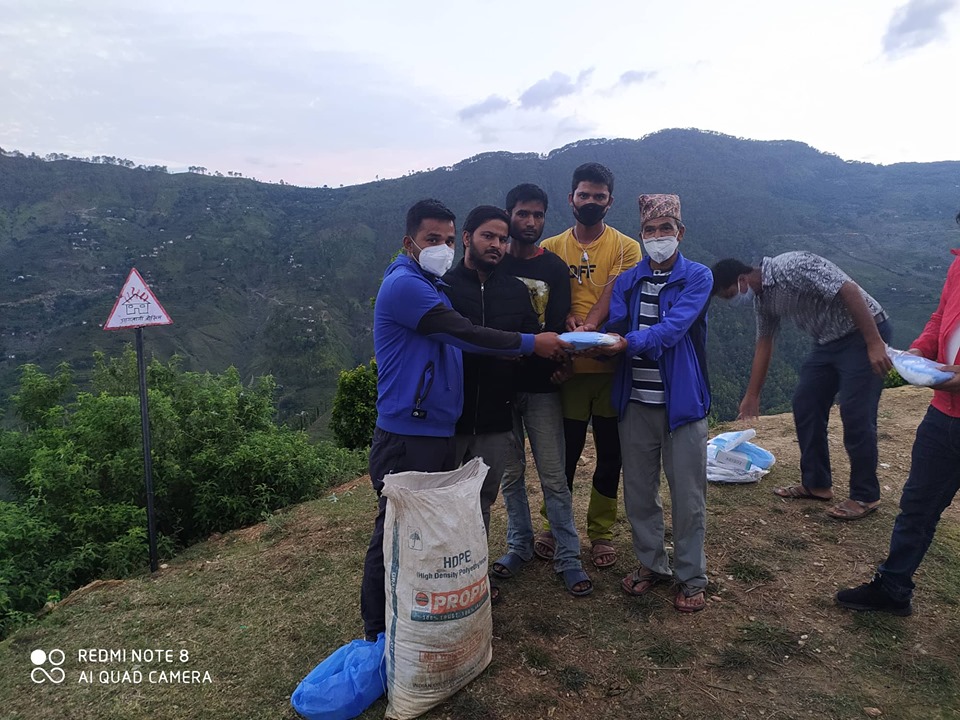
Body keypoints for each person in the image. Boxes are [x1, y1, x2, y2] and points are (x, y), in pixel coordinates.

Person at [360, 199, 570, 641]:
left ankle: (419, 617)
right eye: (432, 239)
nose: (443, 247)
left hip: (437, 427)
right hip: (408, 430)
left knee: (428, 528)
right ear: (409, 242)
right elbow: (466, 335)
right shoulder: (407, 285)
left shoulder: (431, 282)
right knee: (396, 529)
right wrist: (534, 343)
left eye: (448, 240)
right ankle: (378, 632)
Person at [837, 214, 960, 615]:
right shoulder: (959, 264)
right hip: (945, 411)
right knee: (918, 505)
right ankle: (893, 588)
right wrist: (920, 351)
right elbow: (941, 317)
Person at [711, 252, 893, 521]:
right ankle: (817, 484)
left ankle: (865, 495)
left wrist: (874, 342)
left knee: (856, 412)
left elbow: (849, 289)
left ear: (741, 279)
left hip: (862, 334)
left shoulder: (792, 266)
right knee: (806, 402)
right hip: (827, 342)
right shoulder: (763, 301)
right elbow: (765, 343)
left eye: (729, 295)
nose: (732, 301)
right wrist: (752, 394)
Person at [601, 194, 712, 612]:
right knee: (639, 492)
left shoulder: (697, 278)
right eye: (651, 230)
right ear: (641, 235)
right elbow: (614, 322)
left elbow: (672, 330)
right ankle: (652, 564)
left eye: (666, 229)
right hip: (636, 402)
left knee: (688, 495)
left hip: (681, 405)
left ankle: (691, 575)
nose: (658, 237)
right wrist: (592, 338)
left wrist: (624, 343)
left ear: (680, 233)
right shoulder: (630, 280)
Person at [540, 163, 642, 568]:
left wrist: (590, 328)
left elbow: (619, 293)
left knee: (610, 455)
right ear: (571, 198)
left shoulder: (625, 247)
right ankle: (554, 525)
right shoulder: (550, 248)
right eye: (584, 195)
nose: (591, 202)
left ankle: (601, 532)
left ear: (609, 202)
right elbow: (545, 299)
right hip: (567, 371)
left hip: (611, 368)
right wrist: (564, 320)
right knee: (564, 456)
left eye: (599, 197)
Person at [493, 184, 592, 596]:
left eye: (537, 215)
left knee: (553, 475)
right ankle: (519, 545)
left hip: (542, 388)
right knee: (511, 475)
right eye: (522, 214)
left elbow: (556, 325)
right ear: (509, 215)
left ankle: (568, 555)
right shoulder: (492, 265)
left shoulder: (554, 269)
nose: (530, 222)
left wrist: (564, 365)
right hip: (498, 390)